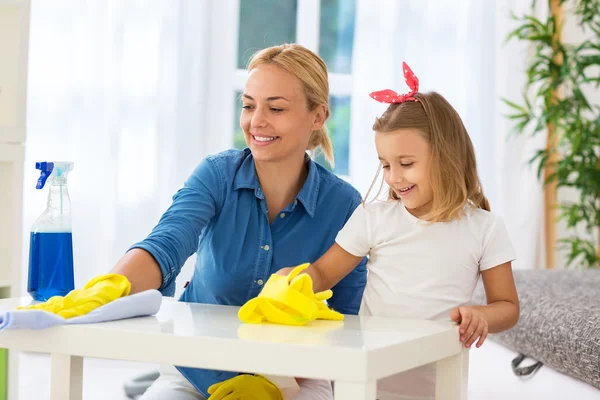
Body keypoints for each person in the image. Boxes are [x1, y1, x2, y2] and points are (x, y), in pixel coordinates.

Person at [110, 43, 367, 400]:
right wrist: (108, 289)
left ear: (318, 116)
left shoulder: (344, 206)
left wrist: (280, 378)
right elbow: (166, 245)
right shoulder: (217, 175)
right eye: (248, 105)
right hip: (195, 370)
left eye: (275, 108)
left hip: (294, 379)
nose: (256, 121)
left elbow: (348, 320)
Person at [277, 63, 520, 400]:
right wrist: (297, 280)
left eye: (406, 164)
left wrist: (482, 315)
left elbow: (507, 306)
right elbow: (323, 272)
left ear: (447, 156)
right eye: (386, 165)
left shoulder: (484, 228)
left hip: (438, 384)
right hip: (364, 379)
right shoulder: (373, 218)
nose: (394, 177)